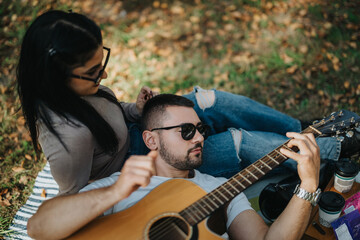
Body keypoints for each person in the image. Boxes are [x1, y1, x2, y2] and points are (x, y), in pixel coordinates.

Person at [17, 10, 359, 195]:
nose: (104, 77)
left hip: (140, 131)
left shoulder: (78, 93)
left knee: (208, 100)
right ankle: (329, 152)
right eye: (94, 73)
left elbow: (109, 112)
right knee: (236, 142)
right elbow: (76, 198)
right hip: (141, 166)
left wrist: (135, 110)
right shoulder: (68, 140)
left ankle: (299, 131)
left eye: (102, 62)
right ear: (57, 78)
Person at [27, 94, 321, 240]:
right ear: (151, 140)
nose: (200, 138)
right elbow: (38, 227)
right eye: (185, 131)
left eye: (201, 129)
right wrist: (112, 193)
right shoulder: (122, 184)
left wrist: (308, 186)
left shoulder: (222, 189)